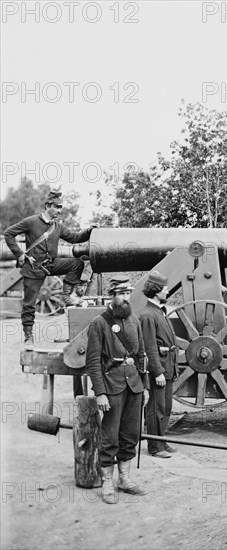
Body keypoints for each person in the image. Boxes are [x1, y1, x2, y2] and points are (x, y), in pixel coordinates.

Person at [4, 190, 97, 350]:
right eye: (57, 207)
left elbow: (74, 238)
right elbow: (8, 234)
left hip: (50, 265)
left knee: (76, 263)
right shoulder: (31, 222)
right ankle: (28, 338)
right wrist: (19, 254)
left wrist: (89, 231)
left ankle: (66, 296)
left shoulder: (58, 226)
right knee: (29, 306)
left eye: (61, 207)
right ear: (48, 206)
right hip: (33, 269)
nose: (60, 210)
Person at [86, 278, 149, 504]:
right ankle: (107, 483)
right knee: (110, 435)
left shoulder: (134, 320)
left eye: (128, 293)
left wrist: (145, 387)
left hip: (134, 386)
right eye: (121, 293)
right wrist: (100, 392)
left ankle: (125, 478)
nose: (125, 298)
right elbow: (93, 362)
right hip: (112, 387)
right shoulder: (99, 323)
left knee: (130, 433)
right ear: (111, 295)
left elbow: (141, 355)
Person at [140, 271, 179, 459]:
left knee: (166, 407)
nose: (167, 291)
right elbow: (149, 347)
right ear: (156, 291)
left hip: (168, 366)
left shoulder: (158, 311)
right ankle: (154, 446)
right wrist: (157, 372)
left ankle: (161, 441)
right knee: (156, 408)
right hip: (160, 369)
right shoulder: (148, 315)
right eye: (164, 289)